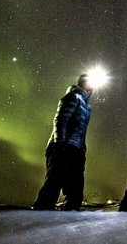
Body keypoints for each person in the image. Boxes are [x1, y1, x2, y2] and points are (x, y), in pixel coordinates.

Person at [33, 74, 94, 211]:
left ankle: (70, 214)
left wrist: (82, 148)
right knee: (54, 181)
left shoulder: (88, 107)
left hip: (77, 149)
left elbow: (81, 130)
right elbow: (61, 119)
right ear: (83, 83)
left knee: (76, 185)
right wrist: (60, 143)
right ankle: (41, 212)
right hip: (63, 147)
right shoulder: (72, 97)